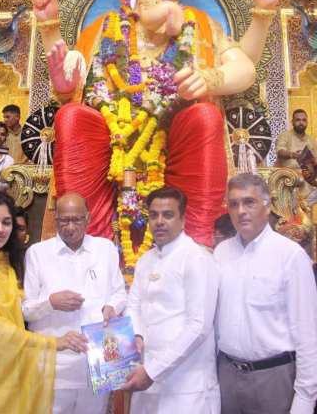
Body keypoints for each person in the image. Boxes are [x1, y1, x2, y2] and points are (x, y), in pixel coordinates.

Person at [33, 0, 284, 257]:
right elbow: (70, 80)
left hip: (175, 140)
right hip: (114, 144)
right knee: (72, 117)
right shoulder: (105, 28)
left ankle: (197, 248)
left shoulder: (197, 24)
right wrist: (52, 40)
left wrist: (211, 77)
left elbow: (243, 67)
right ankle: (90, 252)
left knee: (205, 117)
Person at [0, 191, 79, 414]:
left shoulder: (7, 265)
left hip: (9, 372)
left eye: (6, 222)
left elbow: (20, 313)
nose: (0, 229)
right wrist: (52, 343)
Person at [214, 173, 317, 414]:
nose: (241, 211)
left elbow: (307, 333)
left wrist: (304, 399)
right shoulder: (221, 253)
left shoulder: (290, 256)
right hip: (227, 375)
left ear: (267, 205)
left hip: (274, 379)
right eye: (234, 203)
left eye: (249, 202)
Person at [22, 192, 127, 414]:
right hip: (55, 364)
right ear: (55, 218)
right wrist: (50, 302)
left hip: (99, 359)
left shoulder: (105, 249)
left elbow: (119, 294)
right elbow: (26, 311)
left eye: (77, 220)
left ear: (88, 218)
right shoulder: (38, 253)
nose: (70, 227)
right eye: (64, 220)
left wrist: (111, 308)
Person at [123, 186, 219, 414]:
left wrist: (153, 371)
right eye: (153, 215)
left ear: (183, 219)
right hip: (146, 378)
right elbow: (133, 305)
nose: (159, 222)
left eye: (167, 215)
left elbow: (198, 327)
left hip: (186, 387)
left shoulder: (197, 258)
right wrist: (136, 334)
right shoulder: (146, 259)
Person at [276, 109, 317, 205]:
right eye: (298, 120)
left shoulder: (311, 140)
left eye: (304, 120)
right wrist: (293, 155)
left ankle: (302, 208)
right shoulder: (285, 136)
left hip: (307, 178)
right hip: (288, 178)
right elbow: (280, 152)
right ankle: (298, 210)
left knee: (302, 210)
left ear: (307, 122)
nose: (301, 123)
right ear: (292, 122)